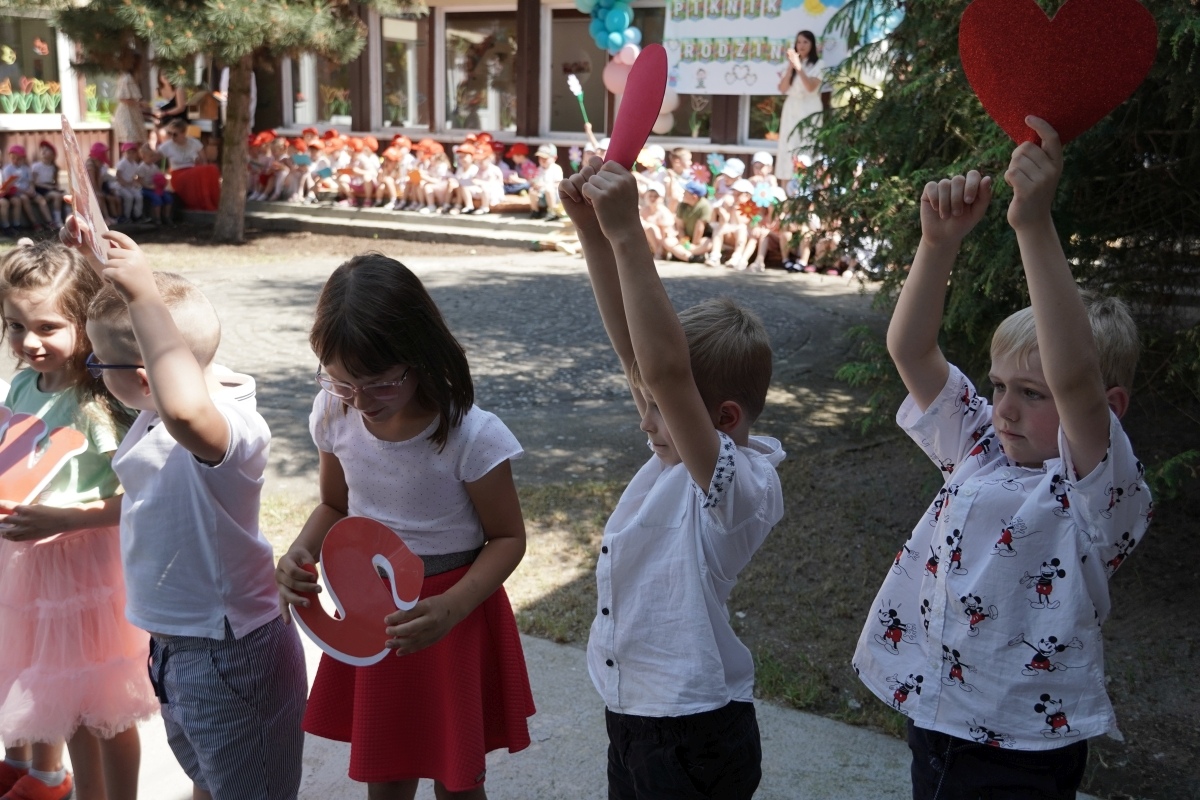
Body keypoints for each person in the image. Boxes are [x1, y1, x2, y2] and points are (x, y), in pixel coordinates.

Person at [851, 118, 1152, 799]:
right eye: (999, 387)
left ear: (1110, 408)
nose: (1005, 408)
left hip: (1021, 750)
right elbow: (911, 351)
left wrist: (1032, 225)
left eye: (1032, 393)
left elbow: (1075, 377)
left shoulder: (1092, 489)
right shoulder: (982, 447)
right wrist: (937, 245)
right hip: (937, 716)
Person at [560, 157, 784, 800]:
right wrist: (594, 234)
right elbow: (639, 357)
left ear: (724, 417)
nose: (644, 417)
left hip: (695, 736)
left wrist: (630, 233)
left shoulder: (738, 489)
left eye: (661, 406)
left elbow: (663, 371)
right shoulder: (676, 456)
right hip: (636, 716)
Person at [275, 254, 535, 798]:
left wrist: (452, 607)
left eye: (380, 384)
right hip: (374, 613)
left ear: (420, 357)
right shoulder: (333, 412)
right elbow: (334, 505)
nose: (361, 401)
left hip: (450, 613)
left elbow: (509, 538)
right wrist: (301, 551)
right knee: (386, 771)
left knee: (457, 778)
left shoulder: (471, 435)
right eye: (342, 382)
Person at [75, 227, 308, 799]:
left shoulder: (228, 426)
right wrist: (104, 272)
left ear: (144, 378)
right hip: (179, 646)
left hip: (228, 652)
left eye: (97, 362)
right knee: (210, 780)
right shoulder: (158, 405)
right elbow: (159, 360)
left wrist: (142, 296)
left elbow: (181, 404)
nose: (93, 370)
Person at [0, 239, 158, 800]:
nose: (29, 341)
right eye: (15, 326)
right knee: (65, 701)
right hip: (34, 572)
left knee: (104, 710)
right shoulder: (23, 383)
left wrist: (64, 520)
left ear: (84, 326)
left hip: (87, 574)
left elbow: (142, 496)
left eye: (47, 327)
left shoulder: (98, 404)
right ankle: (67, 784)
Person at [775, 30, 825, 180]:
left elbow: (810, 87)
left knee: (808, 141)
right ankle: (786, 181)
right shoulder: (791, 65)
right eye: (798, 42)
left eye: (805, 42)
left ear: (812, 44)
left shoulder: (819, 64)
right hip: (792, 108)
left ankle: (808, 180)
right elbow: (783, 88)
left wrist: (799, 68)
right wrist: (791, 67)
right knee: (789, 143)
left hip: (810, 108)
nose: (801, 45)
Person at [156, 119, 220, 212]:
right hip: (178, 173)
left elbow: (204, 162)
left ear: (183, 133)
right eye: (170, 134)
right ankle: (205, 203)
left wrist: (198, 161)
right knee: (201, 171)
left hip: (193, 170)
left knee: (212, 169)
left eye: (175, 134)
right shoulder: (167, 146)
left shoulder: (194, 143)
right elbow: (154, 158)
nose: (172, 137)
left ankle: (212, 200)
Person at [113, 50, 147, 151]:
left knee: (136, 143)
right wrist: (140, 103)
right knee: (131, 143)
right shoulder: (126, 78)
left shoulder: (130, 77)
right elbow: (122, 98)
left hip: (132, 113)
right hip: (127, 115)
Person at [30, 142, 64, 228]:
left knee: (60, 195)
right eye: (42, 150)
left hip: (49, 189)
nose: (43, 152)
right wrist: (48, 187)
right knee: (48, 199)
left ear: (53, 155)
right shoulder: (36, 166)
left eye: (47, 150)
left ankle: (58, 219)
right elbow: (33, 182)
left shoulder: (54, 168)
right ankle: (51, 221)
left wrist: (57, 188)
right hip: (39, 189)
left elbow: (56, 182)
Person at [528, 144, 563, 222]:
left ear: (554, 158)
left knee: (548, 190)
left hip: (554, 196)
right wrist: (535, 185)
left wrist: (546, 185)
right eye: (540, 158)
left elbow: (559, 184)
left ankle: (553, 212)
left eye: (545, 158)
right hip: (541, 195)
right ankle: (535, 211)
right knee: (532, 191)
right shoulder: (539, 169)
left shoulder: (556, 169)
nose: (542, 160)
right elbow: (535, 181)